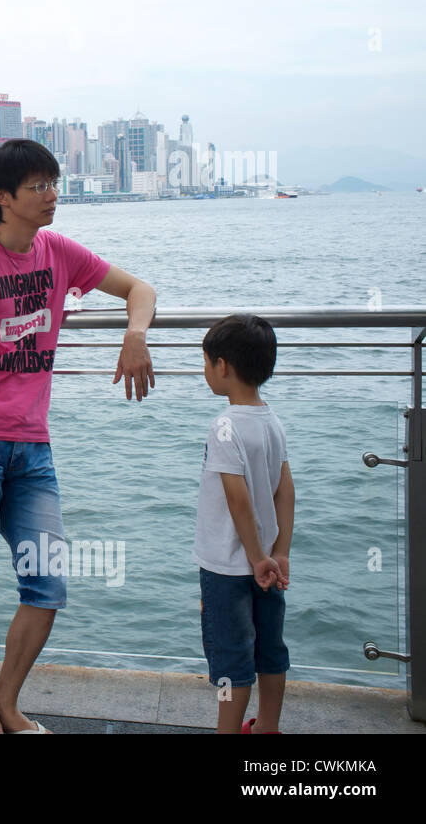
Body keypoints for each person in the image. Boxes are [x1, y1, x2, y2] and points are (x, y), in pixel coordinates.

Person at [0, 139, 157, 734]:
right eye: (39, 187)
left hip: (33, 448)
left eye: (54, 183)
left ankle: (7, 703)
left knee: (47, 584)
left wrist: (134, 334)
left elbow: (140, 289)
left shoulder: (56, 252)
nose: (53, 196)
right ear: (2, 197)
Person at [196, 314, 293, 734]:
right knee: (270, 649)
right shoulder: (272, 422)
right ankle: (267, 727)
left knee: (227, 660)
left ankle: (226, 730)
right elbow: (285, 491)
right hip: (268, 566)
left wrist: (254, 557)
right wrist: (278, 552)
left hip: (226, 567)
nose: (205, 371)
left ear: (223, 366)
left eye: (205, 362)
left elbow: (236, 499)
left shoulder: (224, 426)